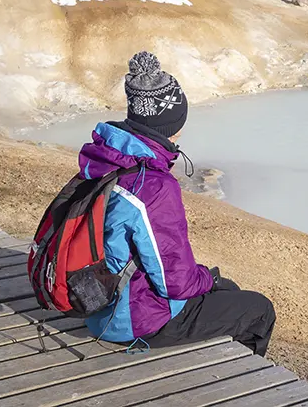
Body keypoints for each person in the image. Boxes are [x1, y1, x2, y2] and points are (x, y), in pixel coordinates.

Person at [80, 51, 276, 355]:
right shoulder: (152, 186)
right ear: (171, 123)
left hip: (95, 301)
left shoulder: (105, 159)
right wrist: (207, 278)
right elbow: (176, 284)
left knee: (228, 292)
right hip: (131, 319)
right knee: (259, 310)